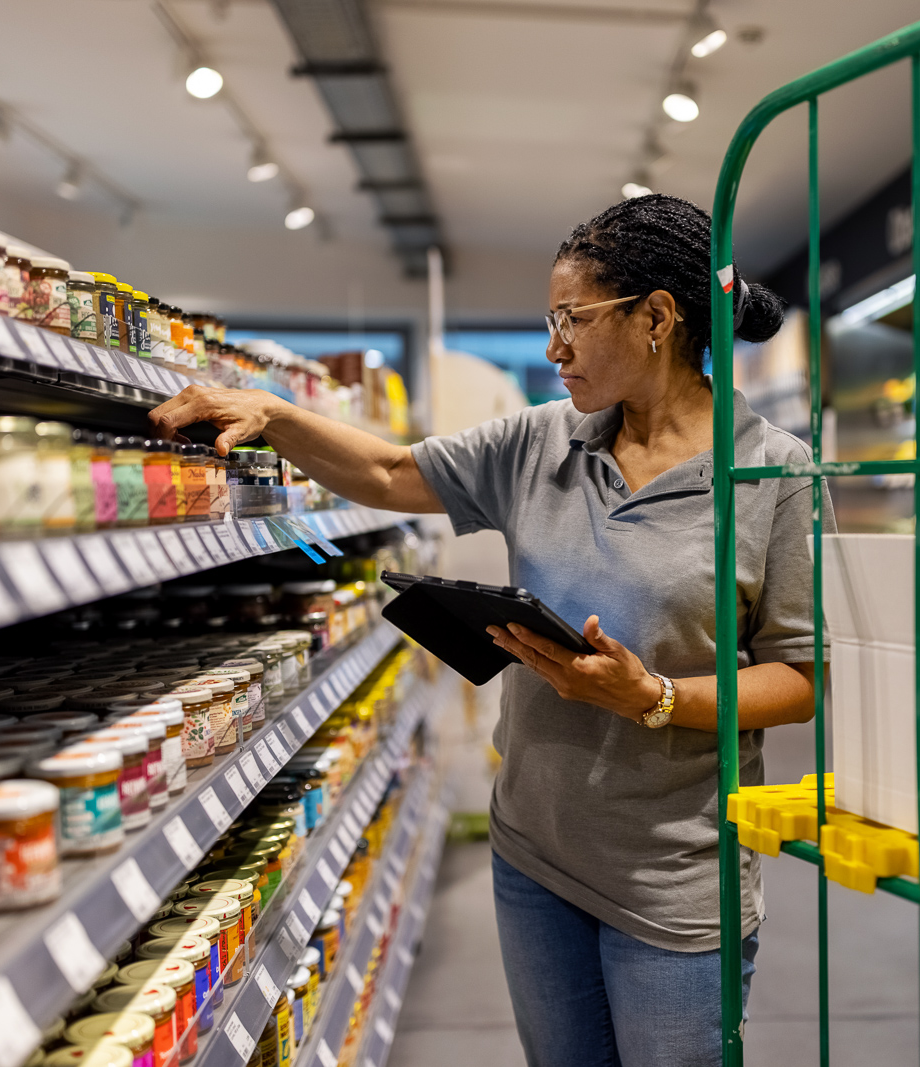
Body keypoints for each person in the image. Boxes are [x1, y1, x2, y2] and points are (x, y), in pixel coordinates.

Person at [149, 193, 828, 1067]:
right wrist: (275, 415)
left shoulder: (774, 471)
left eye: (572, 320)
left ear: (656, 317)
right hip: (534, 857)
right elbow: (393, 472)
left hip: (674, 884)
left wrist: (653, 697)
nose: (553, 349)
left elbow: (799, 680)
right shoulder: (540, 442)